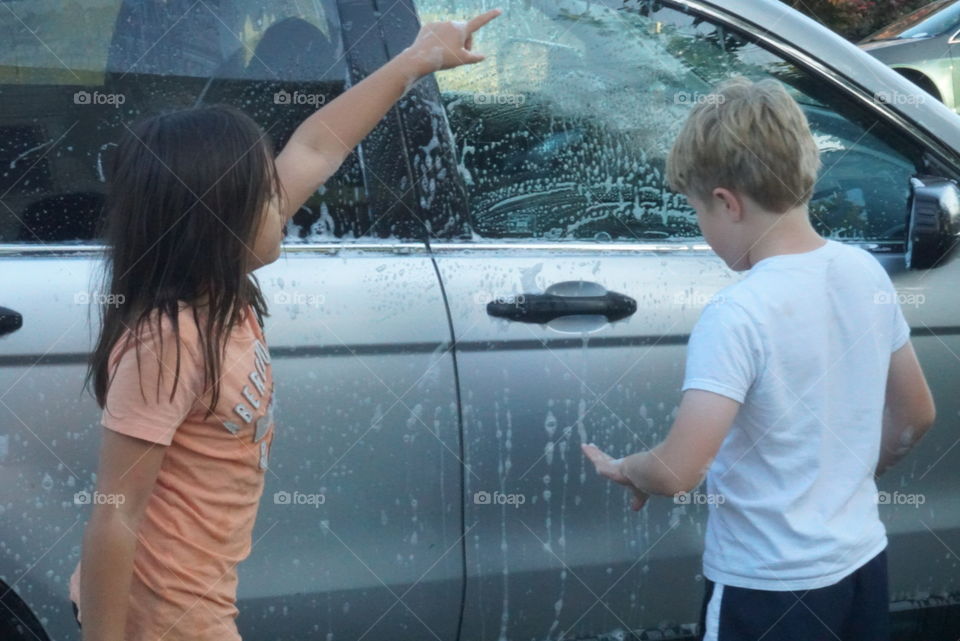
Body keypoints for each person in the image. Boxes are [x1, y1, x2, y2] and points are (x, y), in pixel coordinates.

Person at [69, 10, 501, 641]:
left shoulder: (223, 281)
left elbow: (320, 144)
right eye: (267, 196)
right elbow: (116, 515)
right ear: (217, 219)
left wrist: (414, 61)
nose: (285, 203)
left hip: (196, 601)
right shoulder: (169, 337)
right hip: (163, 621)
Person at [581, 76, 936, 641]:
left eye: (699, 213)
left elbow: (677, 470)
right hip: (862, 564)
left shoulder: (737, 313)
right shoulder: (863, 272)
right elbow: (916, 416)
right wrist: (845, 476)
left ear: (726, 202)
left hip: (767, 589)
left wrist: (629, 469)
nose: (704, 233)